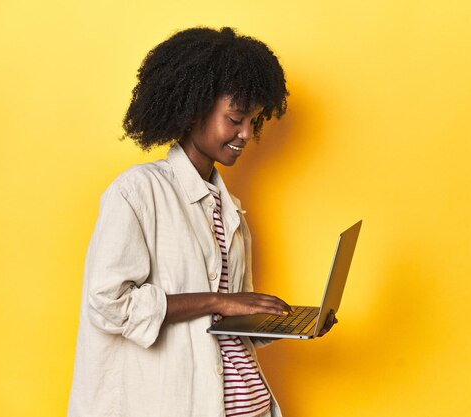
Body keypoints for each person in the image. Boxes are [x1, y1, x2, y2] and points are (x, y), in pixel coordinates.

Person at [68, 27, 300, 417]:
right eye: (236, 119)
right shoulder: (137, 192)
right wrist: (216, 300)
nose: (246, 134)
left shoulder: (231, 210)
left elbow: (227, 321)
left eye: (253, 122)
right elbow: (109, 303)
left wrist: (280, 321)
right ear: (193, 111)